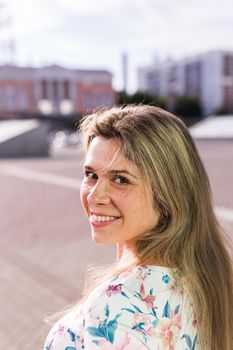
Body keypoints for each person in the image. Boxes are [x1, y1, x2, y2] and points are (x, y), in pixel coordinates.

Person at [44, 105, 233, 350]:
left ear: (168, 196)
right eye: (91, 175)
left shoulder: (119, 302)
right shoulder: (209, 281)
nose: (94, 196)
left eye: (120, 180)